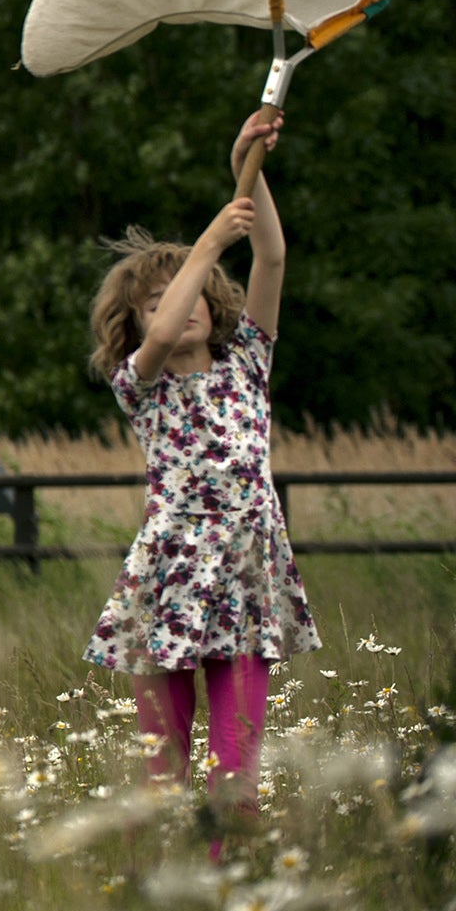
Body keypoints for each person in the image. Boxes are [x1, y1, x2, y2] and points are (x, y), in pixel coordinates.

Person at [82, 111, 319, 854]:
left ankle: (231, 884)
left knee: (237, 764)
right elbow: (157, 338)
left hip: (248, 575)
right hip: (169, 582)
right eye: (155, 302)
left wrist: (245, 164)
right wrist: (210, 241)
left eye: (186, 295)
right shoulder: (141, 384)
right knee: (167, 770)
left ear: (215, 306)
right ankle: (172, 891)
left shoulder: (248, 361)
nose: (173, 311)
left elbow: (272, 260)